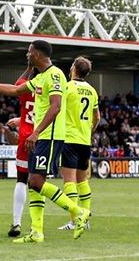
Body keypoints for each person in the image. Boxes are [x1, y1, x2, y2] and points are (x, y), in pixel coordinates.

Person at [0, 40, 90, 242]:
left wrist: (36, 132)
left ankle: (78, 212)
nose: (27, 54)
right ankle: (36, 232)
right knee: (34, 183)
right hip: (40, 136)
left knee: (35, 181)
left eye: (29, 51)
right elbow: (15, 90)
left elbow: (56, 106)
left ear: (38, 55)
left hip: (49, 136)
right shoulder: (41, 77)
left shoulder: (56, 75)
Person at [57, 56, 100, 231]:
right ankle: (86, 217)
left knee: (69, 181)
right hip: (84, 140)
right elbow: (97, 117)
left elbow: (56, 108)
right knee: (83, 180)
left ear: (73, 68)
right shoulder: (92, 91)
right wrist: (90, 132)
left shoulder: (67, 88)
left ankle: (75, 220)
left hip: (69, 138)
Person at [5, 64, 35, 237]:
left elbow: (18, 84)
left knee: (21, 180)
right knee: (39, 182)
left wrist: (29, 67)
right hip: (43, 137)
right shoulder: (51, 89)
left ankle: (16, 223)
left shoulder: (26, 88)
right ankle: (36, 225)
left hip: (25, 137)